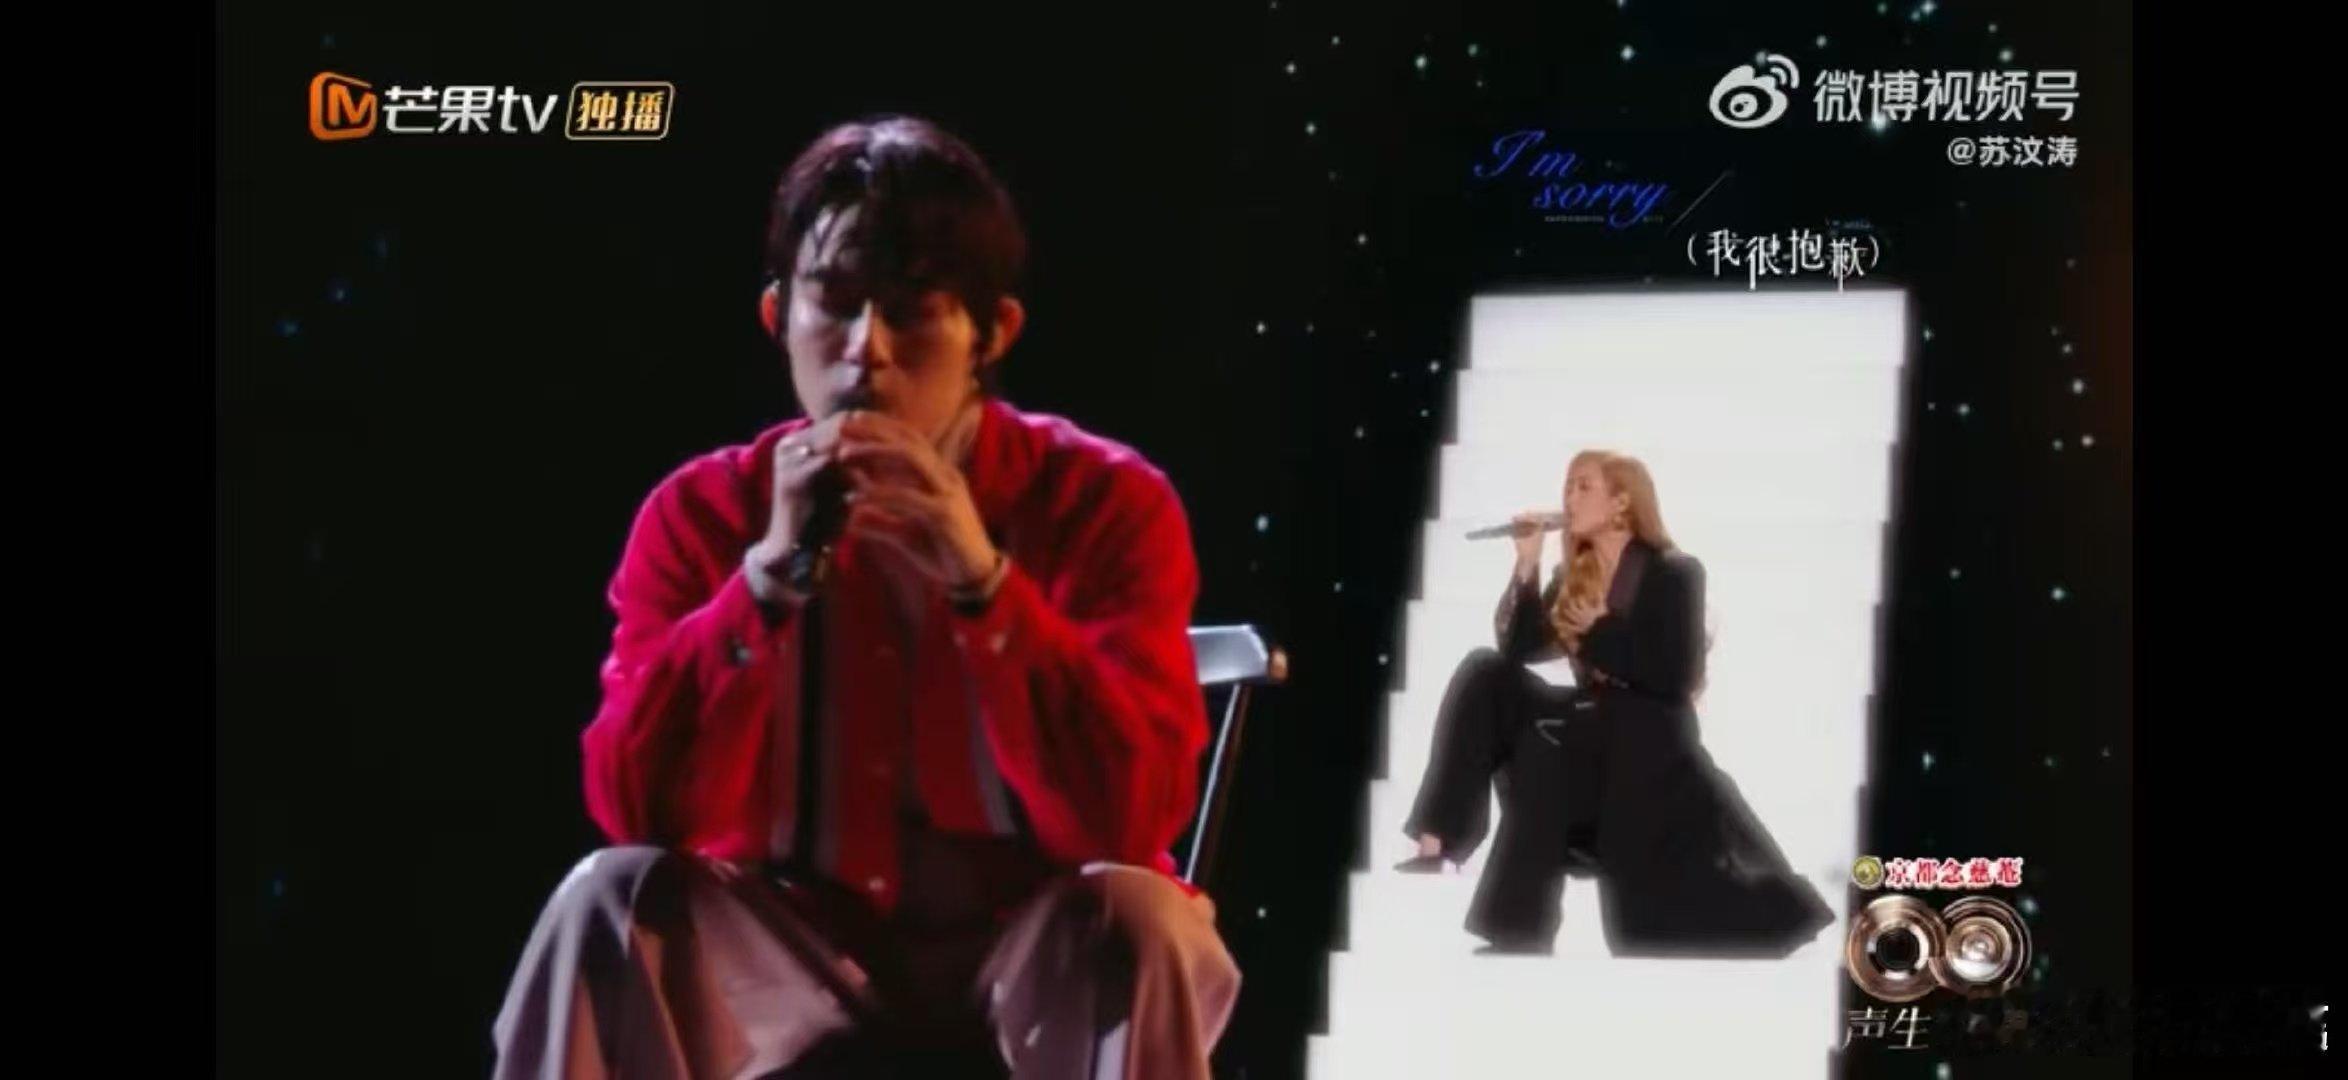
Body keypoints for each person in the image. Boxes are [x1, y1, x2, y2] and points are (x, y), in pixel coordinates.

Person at [490, 115, 1240, 1079]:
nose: (865, 351)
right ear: (778, 317)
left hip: (1029, 951)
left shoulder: (1104, 501)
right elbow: (638, 807)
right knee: (610, 895)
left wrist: (981, 581)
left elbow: (1129, 821)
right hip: (788, 953)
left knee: (1136, 919)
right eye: (835, 306)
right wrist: (764, 583)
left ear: (991, 333)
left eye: (912, 311)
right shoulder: (702, 512)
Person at [1396, 450, 1834, 958]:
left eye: (1584, 486)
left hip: (1647, 737)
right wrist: (1527, 564)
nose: (1569, 498)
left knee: (1559, 738)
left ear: (1622, 502)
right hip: (1585, 727)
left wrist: (1597, 630)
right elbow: (1519, 649)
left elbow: (1674, 675)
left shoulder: (1674, 573)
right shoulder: (1575, 576)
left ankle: (1518, 929)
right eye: (1567, 486)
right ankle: (1439, 840)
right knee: (1487, 672)